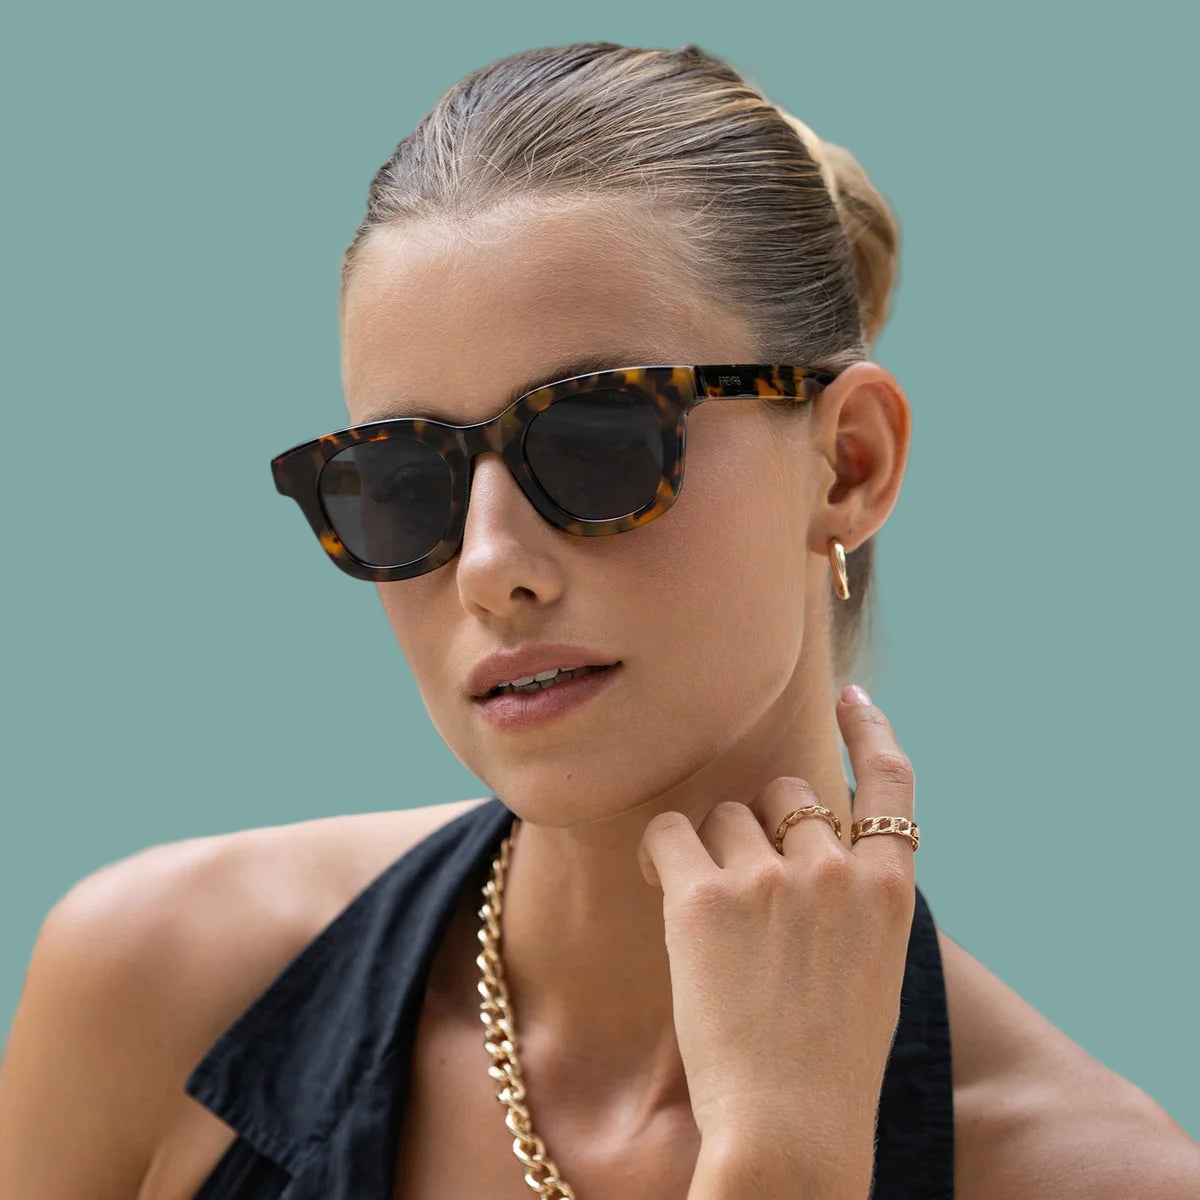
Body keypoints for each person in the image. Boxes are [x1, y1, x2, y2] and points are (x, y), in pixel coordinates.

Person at [1, 39, 1196, 1200]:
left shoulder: (1093, 1178)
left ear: (849, 465)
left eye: (597, 441)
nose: (489, 567)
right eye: (402, 479)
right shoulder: (153, 986)